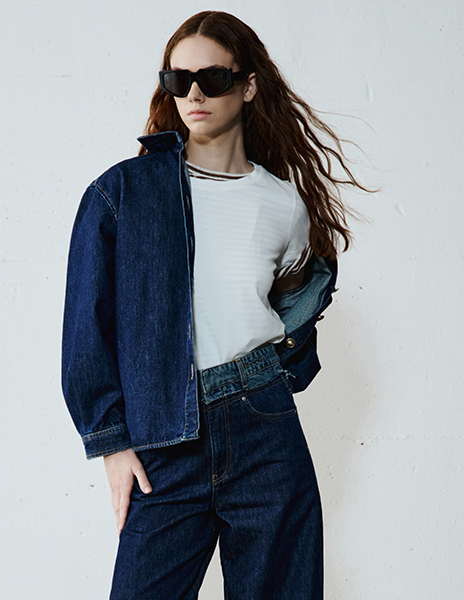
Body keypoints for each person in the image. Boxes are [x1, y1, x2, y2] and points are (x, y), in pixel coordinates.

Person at [62, 10, 368, 600]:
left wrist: (275, 370)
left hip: (264, 430)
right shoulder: (123, 192)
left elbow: (293, 307)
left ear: (248, 86)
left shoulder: (283, 204)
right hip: (165, 435)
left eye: (213, 78)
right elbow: (85, 327)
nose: (194, 94)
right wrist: (111, 442)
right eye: (179, 81)